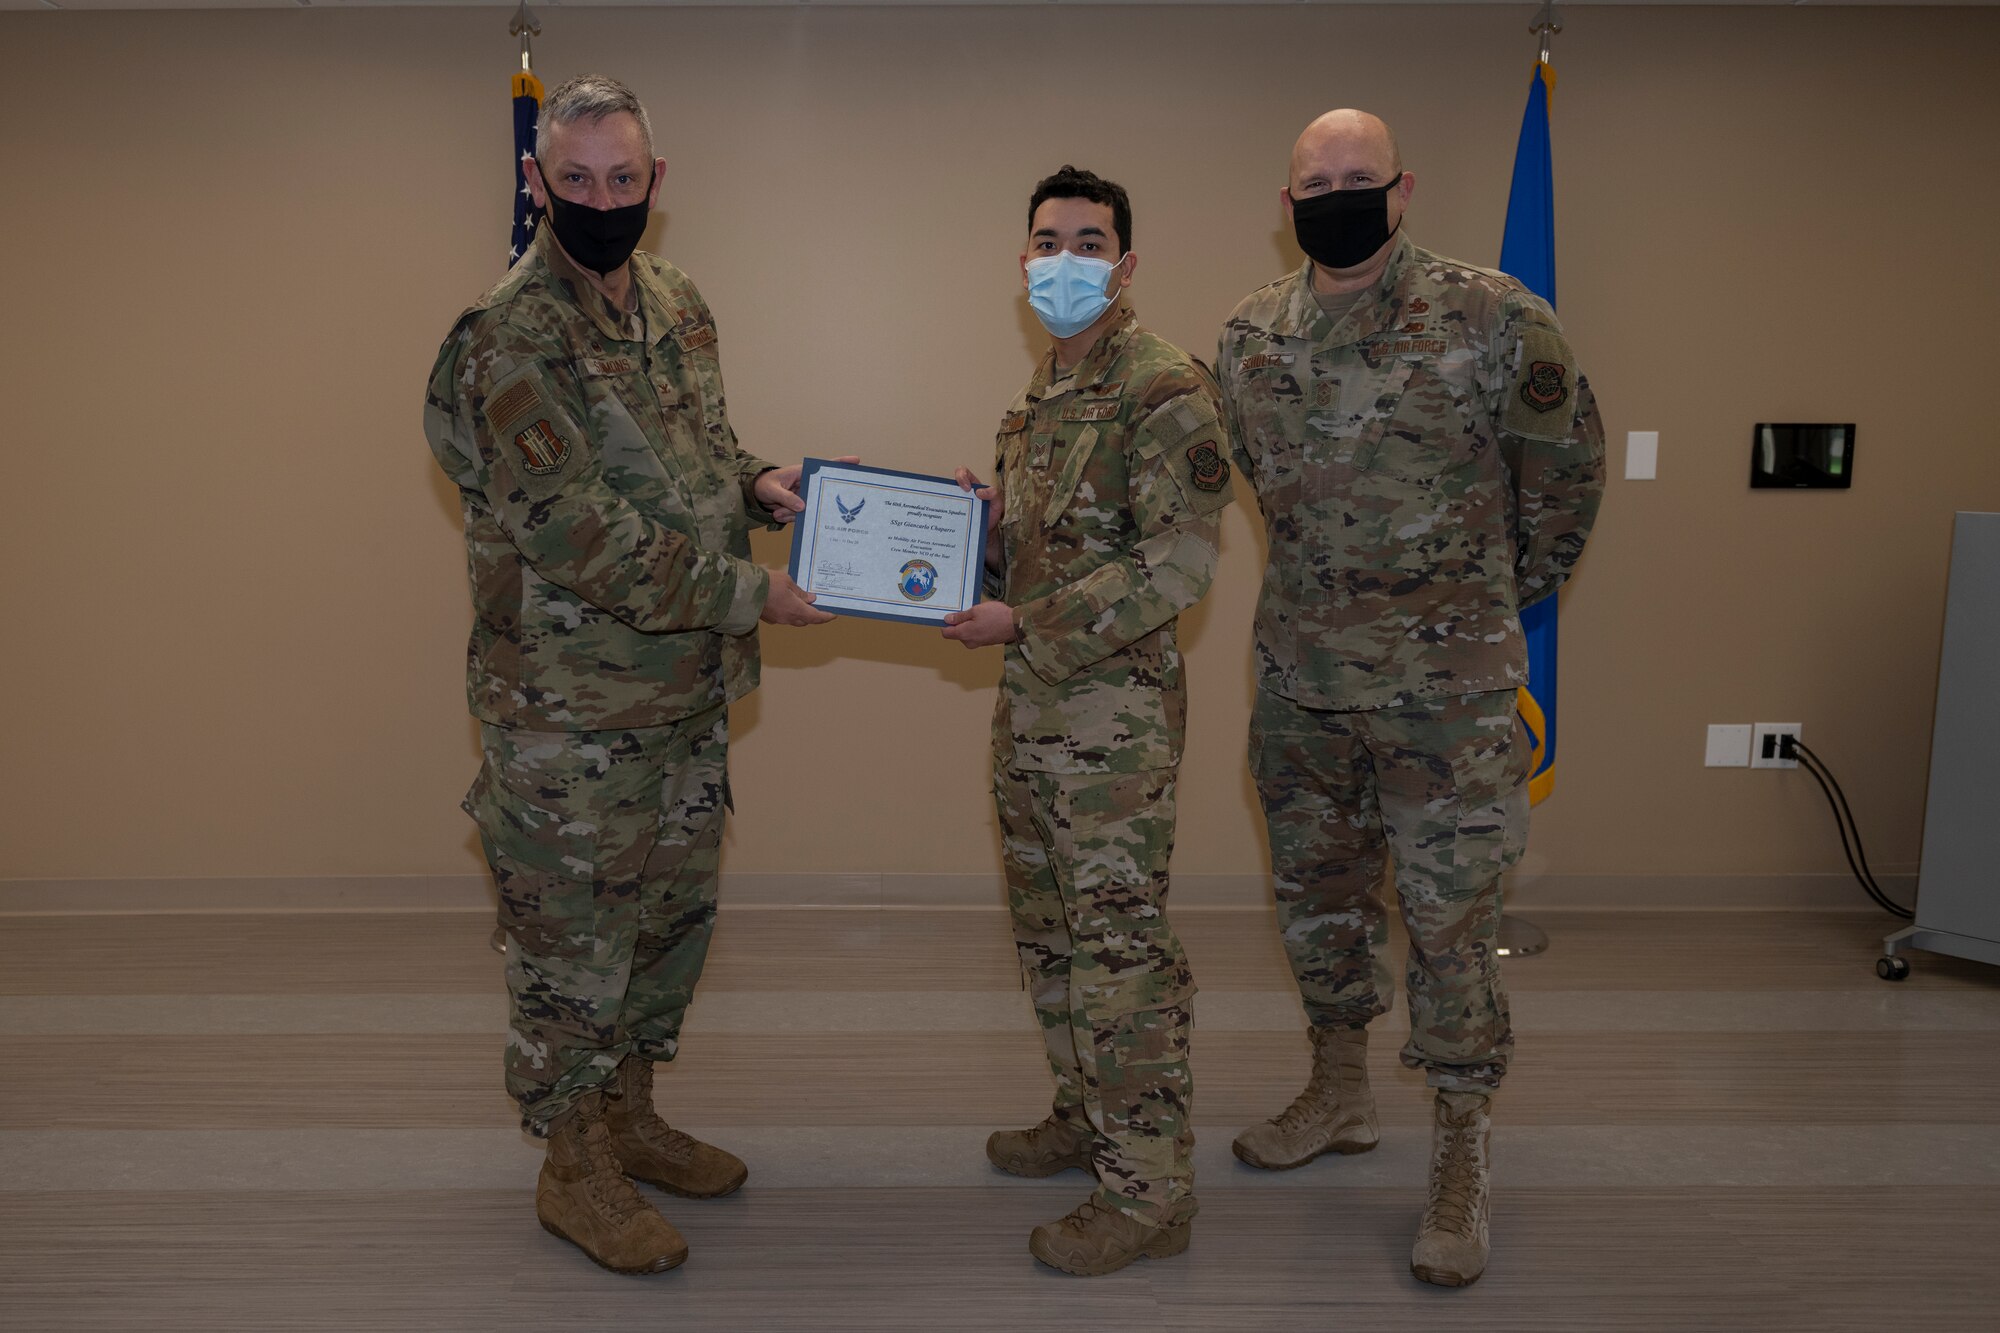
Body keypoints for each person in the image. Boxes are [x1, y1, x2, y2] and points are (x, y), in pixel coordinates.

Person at [422, 74, 836, 1275]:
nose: (602, 201)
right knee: (570, 945)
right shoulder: (510, 336)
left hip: (680, 695)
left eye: (623, 178)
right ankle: (571, 1163)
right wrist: (752, 591)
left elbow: (693, 449)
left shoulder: (676, 300)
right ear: (534, 181)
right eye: (577, 179)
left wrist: (758, 482)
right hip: (570, 714)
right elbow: (575, 532)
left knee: (664, 925)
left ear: (658, 182)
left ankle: (630, 1113)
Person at [1215, 109, 1605, 1287]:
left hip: (1449, 696)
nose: (1337, 194)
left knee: (1449, 931)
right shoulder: (1247, 335)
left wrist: (1471, 606)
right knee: (1318, 907)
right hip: (1302, 684)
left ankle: (1459, 1151)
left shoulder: (1496, 316)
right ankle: (1338, 1095)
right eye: (1314, 181)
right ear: (1286, 206)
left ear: (1400, 188)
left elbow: (1564, 483)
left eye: (1359, 177)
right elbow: (1259, 481)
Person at [944, 166, 1233, 1276]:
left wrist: (1025, 618)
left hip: (1110, 729)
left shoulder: (1162, 388)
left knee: (1119, 955)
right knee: (1053, 939)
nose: (1065, 258)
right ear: (1023, 262)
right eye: (1047, 240)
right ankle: (1084, 1115)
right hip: (1032, 714)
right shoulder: (1038, 400)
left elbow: (1178, 562)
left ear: (1123, 261)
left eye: (1089, 239)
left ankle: (1150, 1189)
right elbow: (1045, 556)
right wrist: (974, 536)